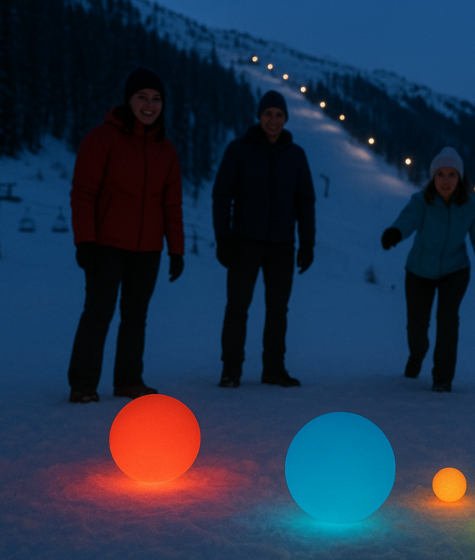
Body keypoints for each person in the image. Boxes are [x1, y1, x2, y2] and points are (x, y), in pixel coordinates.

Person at [68, 67, 185, 403]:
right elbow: (83, 193)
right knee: (98, 312)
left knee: (135, 317)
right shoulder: (101, 139)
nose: (149, 105)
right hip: (105, 245)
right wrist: (84, 240)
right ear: (128, 100)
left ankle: (128, 381)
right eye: (142, 98)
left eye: (156, 99)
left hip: (147, 248)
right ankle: (83, 384)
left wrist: (176, 250)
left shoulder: (166, 150)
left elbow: (171, 205)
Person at [212, 90, 315, 388]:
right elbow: (222, 195)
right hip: (245, 241)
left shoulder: (295, 155)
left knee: (277, 310)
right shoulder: (239, 150)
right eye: (268, 114)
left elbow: (305, 201)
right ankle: (231, 370)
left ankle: (273, 369)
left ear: (286, 118)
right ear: (259, 116)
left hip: (282, 244)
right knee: (237, 307)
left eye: (279, 115)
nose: (273, 120)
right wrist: (224, 238)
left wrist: (307, 243)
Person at [382, 147, 475, 392]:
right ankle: (417, 354)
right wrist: (396, 232)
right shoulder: (421, 200)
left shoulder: (471, 206)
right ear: (433, 176)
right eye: (440, 174)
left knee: (448, 322)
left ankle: (442, 378)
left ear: (460, 177)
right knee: (417, 326)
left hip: (455, 270)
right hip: (419, 270)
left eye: (451, 174)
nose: (445, 180)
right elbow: (408, 219)